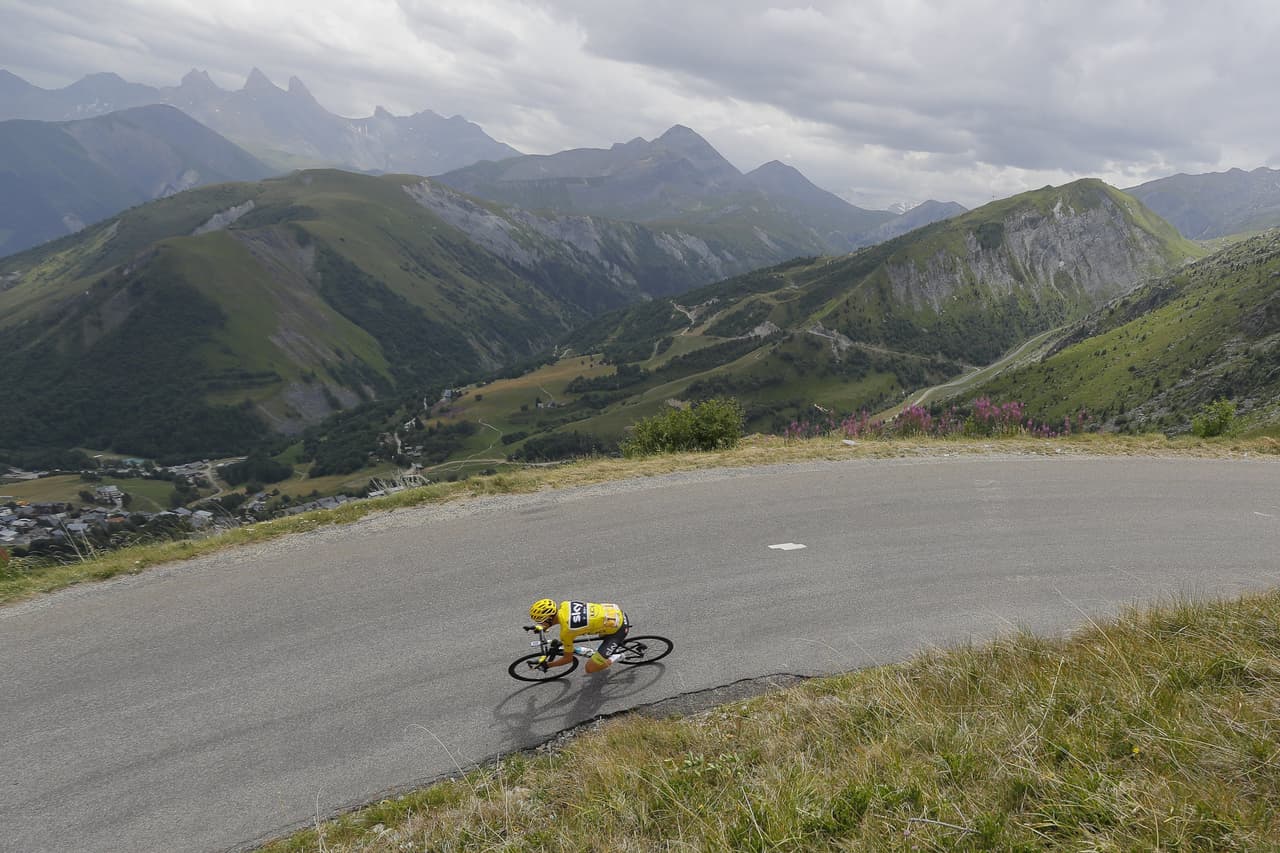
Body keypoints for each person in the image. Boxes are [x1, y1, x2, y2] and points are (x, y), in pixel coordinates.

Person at [528, 597, 629, 674]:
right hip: (614, 613)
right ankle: (603, 650)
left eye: (540, 621)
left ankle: (617, 656)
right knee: (600, 635)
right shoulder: (565, 605)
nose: (540, 623)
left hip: (618, 629)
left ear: (549, 618)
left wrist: (548, 665)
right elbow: (564, 619)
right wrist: (544, 627)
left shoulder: (567, 632)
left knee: (590, 668)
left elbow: (568, 659)